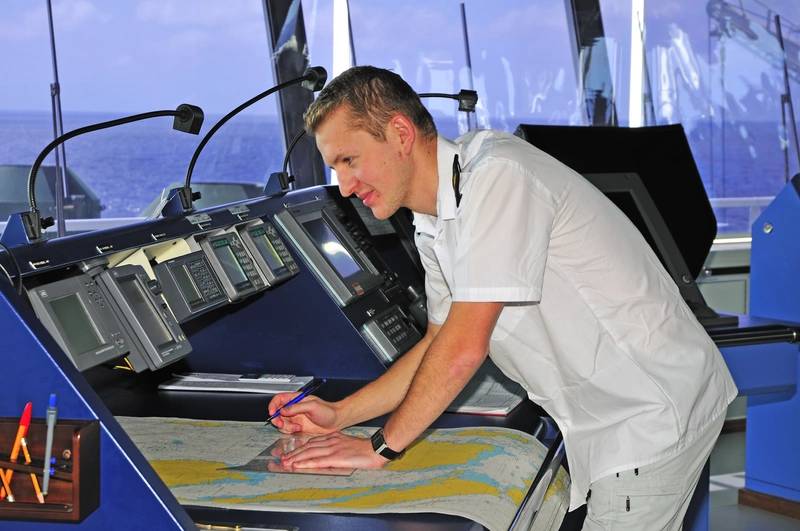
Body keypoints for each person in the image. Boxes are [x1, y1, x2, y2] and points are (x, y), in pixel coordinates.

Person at [267, 66, 738, 530]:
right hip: (611, 411)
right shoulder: (433, 219)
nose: (345, 186)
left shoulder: (498, 177)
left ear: (400, 134)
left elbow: (463, 349)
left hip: (648, 414)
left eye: (349, 160)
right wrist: (340, 413)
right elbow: (438, 341)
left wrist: (379, 448)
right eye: (335, 168)